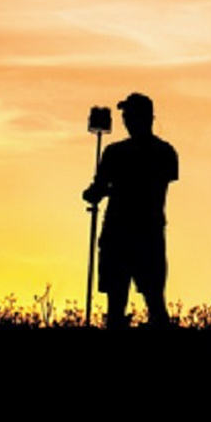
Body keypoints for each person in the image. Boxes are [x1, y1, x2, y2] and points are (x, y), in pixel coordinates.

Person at [82, 92, 179, 328]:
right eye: (125, 115)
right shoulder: (164, 152)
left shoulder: (117, 153)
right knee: (145, 298)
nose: (125, 120)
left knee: (139, 299)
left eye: (129, 115)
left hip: (126, 232)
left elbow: (99, 189)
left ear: (145, 117)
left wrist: (95, 193)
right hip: (144, 232)